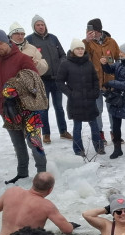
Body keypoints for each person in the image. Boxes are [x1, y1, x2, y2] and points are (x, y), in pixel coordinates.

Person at [0, 28, 45, 184]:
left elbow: (35, 82)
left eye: (0, 43)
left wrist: (15, 92)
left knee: (34, 142)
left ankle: (42, 174)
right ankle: (22, 173)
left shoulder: (22, 59)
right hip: (7, 110)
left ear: (7, 41)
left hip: (28, 109)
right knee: (18, 144)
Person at [0, 172, 77, 235]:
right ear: (50, 190)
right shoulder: (47, 206)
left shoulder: (12, 191)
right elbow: (67, 230)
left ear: (32, 181)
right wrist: (70, 225)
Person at [27, 15, 70, 143]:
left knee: (59, 107)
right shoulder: (30, 40)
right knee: (44, 108)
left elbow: (63, 54)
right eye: (38, 25)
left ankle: (63, 131)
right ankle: (46, 134)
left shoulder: (53, 38)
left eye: (42, 24)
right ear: (34, 27)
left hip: (56, 78)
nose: (41, 27)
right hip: (42, 80)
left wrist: (61, 64)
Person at [57, 39, 103, 157]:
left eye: (82, 48)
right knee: (77, 127)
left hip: (90, 100)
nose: (80, 50)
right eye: (78, 48)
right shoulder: (66, 64)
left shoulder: (89, 63)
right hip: (75, 101)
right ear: (73, 50)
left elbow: (95, 80)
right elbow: (60, 82)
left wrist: (95, 93)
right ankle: (78, 150)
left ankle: (99, 147)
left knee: (95, 125)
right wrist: (70, 94)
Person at [84, 18, 121, 147]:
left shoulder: (111, 42)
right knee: (98, 110)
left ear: (98, 30)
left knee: (112, 109)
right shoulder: (87, 43)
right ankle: (100, 133)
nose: (90, 33)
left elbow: (118, 58)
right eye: (88, 31)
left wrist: (117, 73)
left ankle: (114, 133)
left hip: (110, 82)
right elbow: (81, 56)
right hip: (95, 82)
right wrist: (87, 42)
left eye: (92, 30)